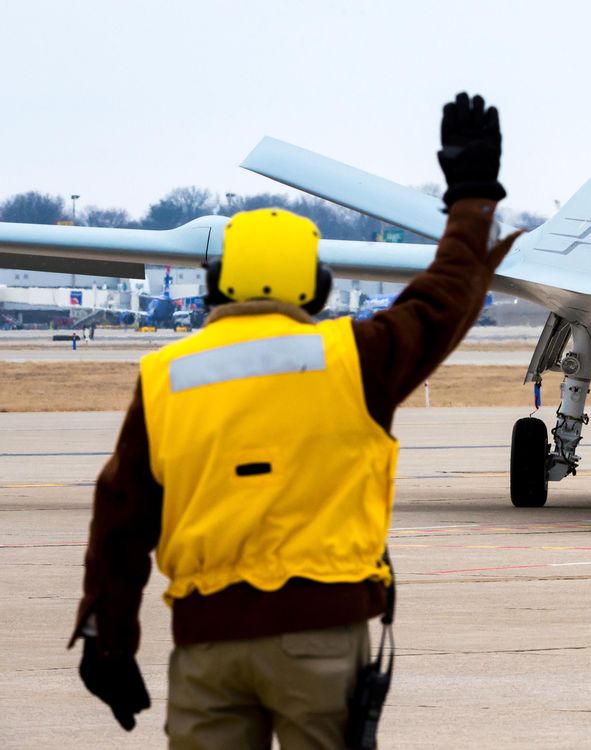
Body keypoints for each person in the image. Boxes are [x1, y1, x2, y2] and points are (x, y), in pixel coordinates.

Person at [70, 92, 516, 749]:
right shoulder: (352, 359)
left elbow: (120, 521)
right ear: (318, 288)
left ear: (219, 283)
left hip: (207, 645)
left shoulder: (165, 378)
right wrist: (471, 201)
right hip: (321, 639)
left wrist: (108, 642)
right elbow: (445, 295)